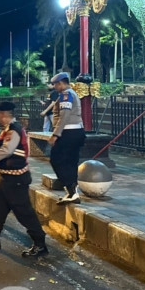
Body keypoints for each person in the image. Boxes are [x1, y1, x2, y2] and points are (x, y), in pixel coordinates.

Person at [0, 102, 48, 257]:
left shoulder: (14, 130)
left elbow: (6, 151)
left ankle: (40, 244)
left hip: (16, 179)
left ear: (4, 115)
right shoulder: (9, 129)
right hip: (7, 177)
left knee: (23, 212)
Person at [49, 73, 85, 205]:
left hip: (68, 132)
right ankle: (72, 192)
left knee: (56, 160)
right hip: (76, 131)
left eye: (55, 84)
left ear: (61, 83)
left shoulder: (66, 95)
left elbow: (64, 116)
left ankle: (71, 189)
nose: (54, 87)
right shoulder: (71, 94)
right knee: (70, 162)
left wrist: (56, 134)